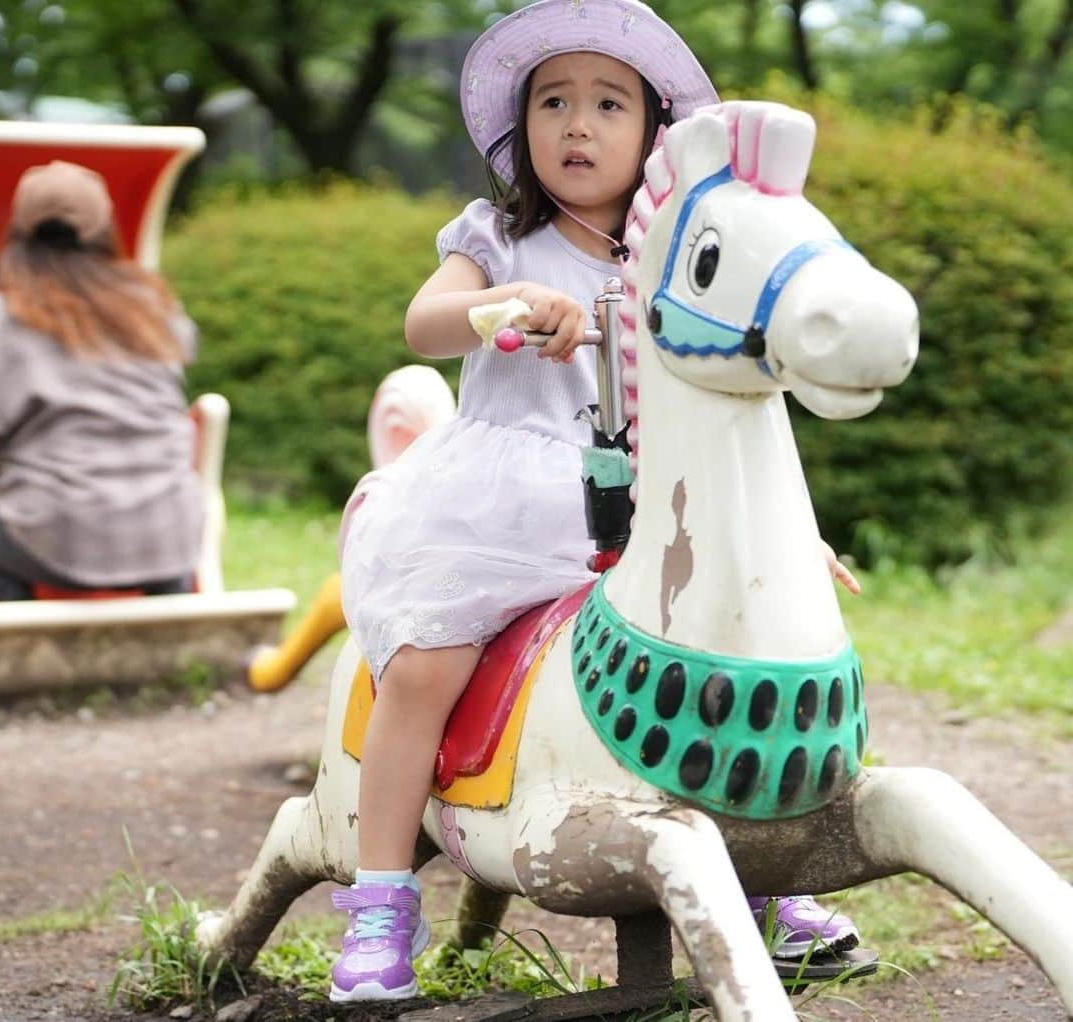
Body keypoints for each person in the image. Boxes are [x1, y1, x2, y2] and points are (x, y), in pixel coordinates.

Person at [332, 0, 861, 1002]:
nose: (578, 124)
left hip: (641, 501)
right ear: (521, 129)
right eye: (554, 102)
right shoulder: (499, 234)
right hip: (500, 506)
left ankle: (773, 869)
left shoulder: (672, 264)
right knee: (427, 662)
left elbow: (713, 417)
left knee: (746, 645)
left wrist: (793, 535)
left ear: (653, 135)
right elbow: (423, 324)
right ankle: (380, 895)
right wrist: (502, 308)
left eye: (608, 103)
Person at [0, 161, 203, 601]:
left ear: (20, 234)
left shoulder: (5, 317)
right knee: (159, 513)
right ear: (105, 230)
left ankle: (8, 635)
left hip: (53, 531)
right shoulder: (153, 308)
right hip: (169, 528)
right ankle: (173, 617)